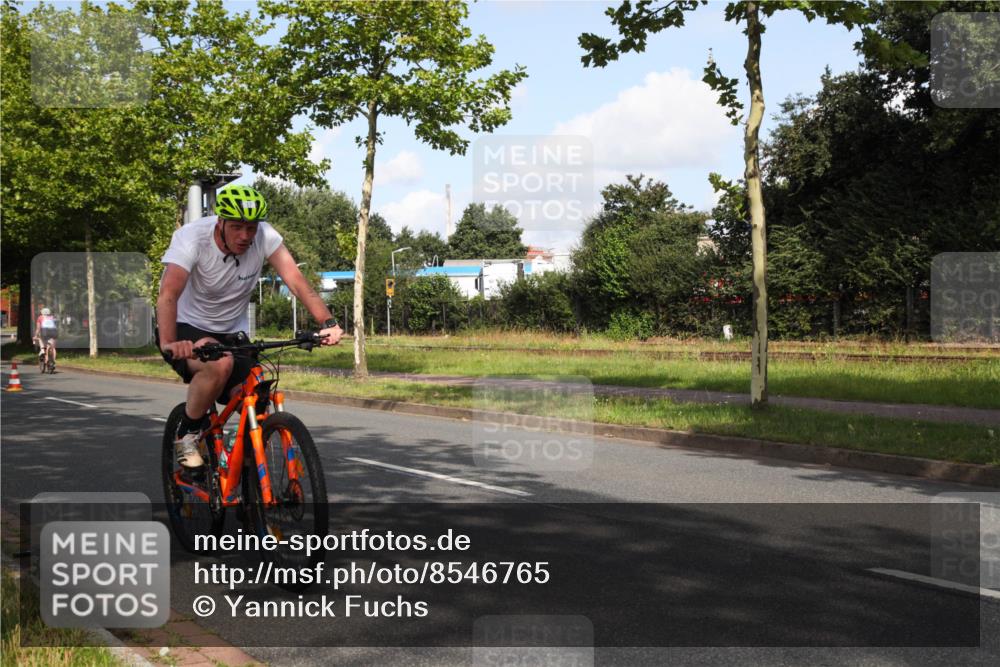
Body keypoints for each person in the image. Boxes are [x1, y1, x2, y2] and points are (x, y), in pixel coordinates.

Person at [157, 184, 343, 468]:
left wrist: (327, 323)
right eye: (236, 227)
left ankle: (243, 467)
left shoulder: (265, 236)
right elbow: (169, 293)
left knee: (257, 392)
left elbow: (296, 280)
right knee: (219, 364)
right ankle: (188, 433)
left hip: (232, 332)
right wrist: (169, 342)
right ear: (220, 222)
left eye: (251, 228)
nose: (245, 236)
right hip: (186, 326)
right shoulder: (192, 238)